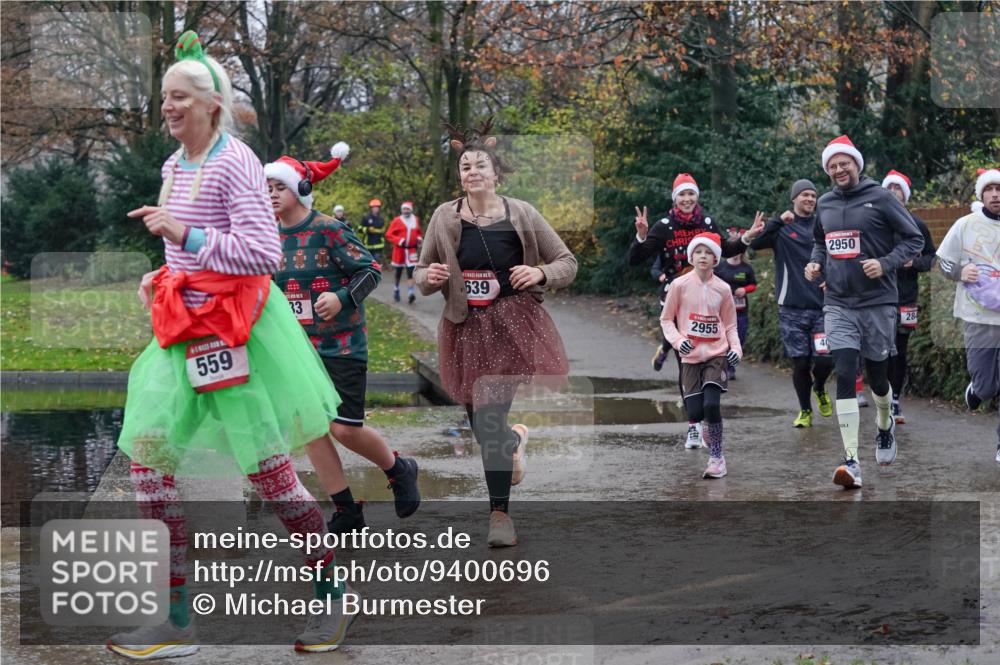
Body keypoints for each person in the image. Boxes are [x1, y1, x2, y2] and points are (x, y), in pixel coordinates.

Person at [110, 31, 355, 657]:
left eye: (180, 97)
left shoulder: (235, 161)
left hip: (238, 332)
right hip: (180, 332)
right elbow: (179, 249)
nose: (167, 107)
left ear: (211, 103)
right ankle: (176, 620)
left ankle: (331, 597)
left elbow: (261, 254)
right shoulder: (174, 166)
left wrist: (186, 237)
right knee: (149, 469)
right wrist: (162, 274)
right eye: (163, 96)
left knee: (271, 477)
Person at [415, 118, 576, 547]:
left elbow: (566, 262)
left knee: (488, 420)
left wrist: (539, 271)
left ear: (495, 172)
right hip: (464, 329)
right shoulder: (443, 217)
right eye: (465, 166)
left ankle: (499, 515)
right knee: (481, 425)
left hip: (512, 325)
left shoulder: (521, 212)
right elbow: (420, 273)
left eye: (479, 165)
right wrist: (429, 277)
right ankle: (513, 440)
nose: (471, 172)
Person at [265, 146, 421, 537]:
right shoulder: (265, 236)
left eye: (278, 187)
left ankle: (398, 468)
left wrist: (342, 297)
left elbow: (370, 269)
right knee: (311, 430)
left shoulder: (328, 229)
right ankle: (347, 511)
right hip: (298, 351)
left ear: (299, 189)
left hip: (343, 345)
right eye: (265, 187)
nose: (270, 194)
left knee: (344, 429)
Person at [805, 136, 923, 488]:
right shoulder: (824, 203)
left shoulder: (881, 198)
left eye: (845, 163)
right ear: (827, 170)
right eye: (832, 166)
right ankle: (851, 460)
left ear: (856, 165)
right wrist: (814, 265)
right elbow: (819, 242)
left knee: (878, 378)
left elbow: (914, 239)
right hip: (838, 303)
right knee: (843, 373)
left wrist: (885, 264)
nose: (839, 170)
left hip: (877, 304)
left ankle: (884, 425)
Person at [629, 173, 764, 448]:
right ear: (675, 199)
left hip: (707, 298)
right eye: (682, 195)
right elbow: (635, 260)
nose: (687, 199)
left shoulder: (708, 222)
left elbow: (726, 249)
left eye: (691, 194)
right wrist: (642, 238)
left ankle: (706, 415)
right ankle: (693, 424)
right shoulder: (664, 226)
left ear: (697, 198)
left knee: (712, 352)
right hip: (677, 298)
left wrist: (747, 238)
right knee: (686, 359)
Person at [661, 232, 742, 478]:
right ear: (691, 256)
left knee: (711, 404)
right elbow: (666, 319)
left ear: (716, 258)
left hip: (717, 354)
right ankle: (706, 427)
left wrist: (736, 349)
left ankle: (717, 457)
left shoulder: (723, 288)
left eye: (708, 253)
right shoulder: (679, 285)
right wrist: (678, 340)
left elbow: (730, 325)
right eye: (698, 252)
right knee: (695, 412)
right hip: (690, 357)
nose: (703, 257)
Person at [754, 180, 835, 428]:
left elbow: (837, 258)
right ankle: (805, 410)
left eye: (813, 195)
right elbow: (755, 245)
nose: (810, 199)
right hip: (791, 308)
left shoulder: (824, 227)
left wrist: (831, 280)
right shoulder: (781, 229)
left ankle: (819, 386)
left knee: (824, 359)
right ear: (794, 199)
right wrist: (777, 221)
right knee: (800, 362)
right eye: (804, 195)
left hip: (823, 306)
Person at [937, 168, 1000, 463]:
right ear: (981, 194)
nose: (996, 194)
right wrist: (961, 272)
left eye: (999, 189)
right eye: (990, 189)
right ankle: (978, 388)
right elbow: (943, 262)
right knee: (988, 387)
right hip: (978, 319)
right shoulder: (966, 224)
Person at [881, 169, 936, 424]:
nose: (894, 193)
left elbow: (930, 259)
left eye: (898, 189)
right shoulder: (877, 223)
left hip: (906, 297)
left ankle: (895, 401)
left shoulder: (917, 224)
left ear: (905, 194)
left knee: (900, 350)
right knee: (882, 350)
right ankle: (882, 396)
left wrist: (913, 263)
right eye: (889, 188)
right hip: (879, 297)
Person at [713, 230, 757, 380]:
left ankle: (730, 366)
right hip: (723, 311)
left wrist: (744, 289)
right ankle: (724, 366)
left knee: (739, 339)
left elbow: (754, 285)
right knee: (723, 339)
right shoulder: (720, 268)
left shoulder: (746, 268)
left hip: (741, 311)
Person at [385, 201, 422, 304]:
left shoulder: (415, 219)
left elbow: (418, 232)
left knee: (411, 271)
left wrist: (419, 238)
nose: (405, 211)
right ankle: (396, 289)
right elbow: (388, 234)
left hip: (411, 250)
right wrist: (399, 240)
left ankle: (410, 293)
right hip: (399, 250)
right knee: (399, 272)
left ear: (410, 210)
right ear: (402, 210)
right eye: (404, 209)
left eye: (407, 209)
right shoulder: (397, 220)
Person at [359, 198, 386, 264]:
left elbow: (383, 230)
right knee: (369, 263)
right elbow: (359, 229)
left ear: (379, 208)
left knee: (377, 263)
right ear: (371, 208)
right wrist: (367, 229)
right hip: (368, 245)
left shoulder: (381, 219)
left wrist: (383, 230)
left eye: (377, 207)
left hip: (378, 245)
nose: (375, 209)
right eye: (374, 207)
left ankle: (377, 274)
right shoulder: (366, 218)